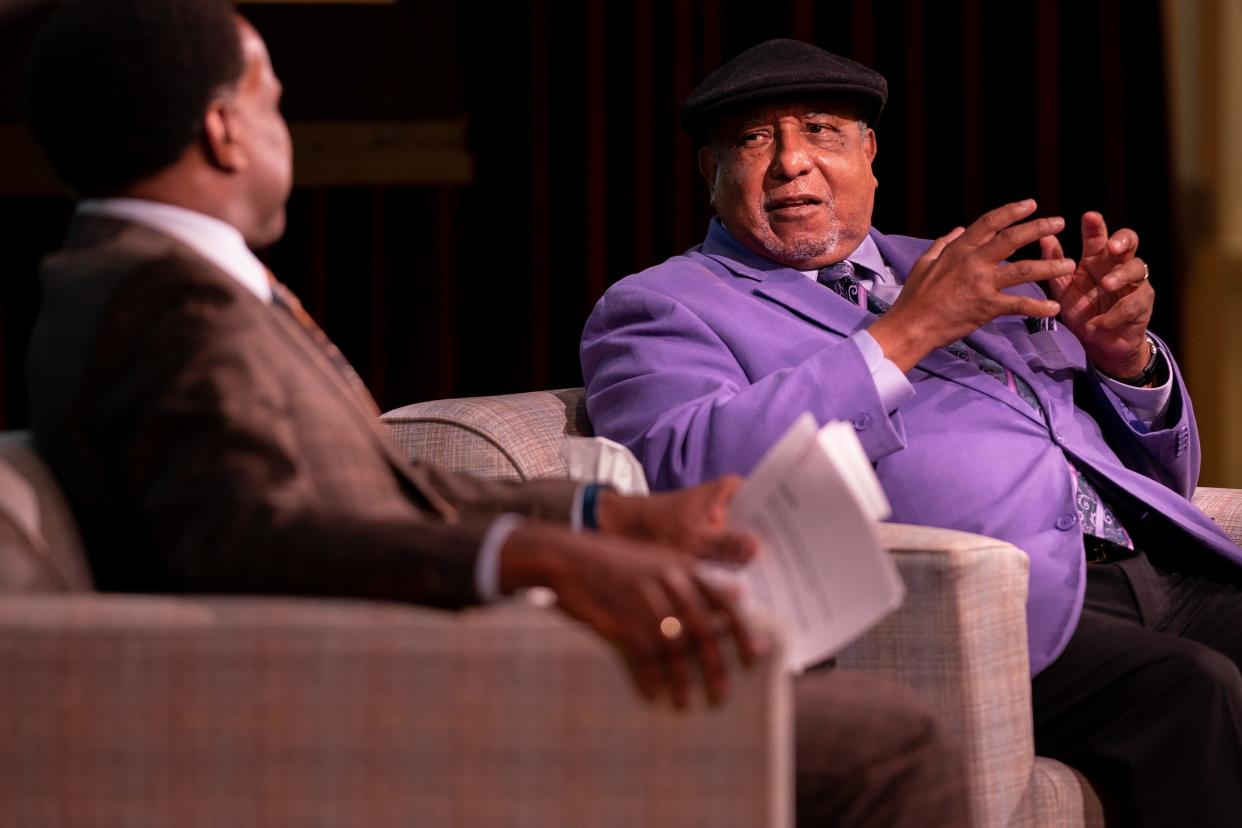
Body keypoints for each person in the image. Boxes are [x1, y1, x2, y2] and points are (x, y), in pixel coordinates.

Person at [20, 6, 968, 826]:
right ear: (226, 130)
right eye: (273, 95)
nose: (284, 122)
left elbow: (373, 490)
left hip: (411, 658)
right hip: (392, 700)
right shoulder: (157, 304)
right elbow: (254, 534)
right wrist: (537, 557)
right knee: (890, 743)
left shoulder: (155, 281)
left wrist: (603, 517)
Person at [581, 37, 1242, 826]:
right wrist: (902, 336)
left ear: (870, 157)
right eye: (756, 139)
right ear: (710, 173)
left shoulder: (946, 262)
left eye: (822, 130)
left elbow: (1148, 472)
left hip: (1146, 563)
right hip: (967, 614)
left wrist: (1124, 362)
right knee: (1194, 688)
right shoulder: (662, 305)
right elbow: (680, 468)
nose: (792, 161)